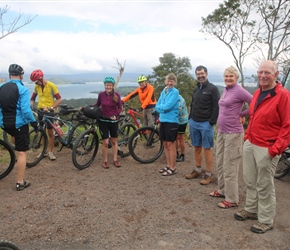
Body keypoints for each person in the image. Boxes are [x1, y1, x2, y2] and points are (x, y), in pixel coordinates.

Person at [234, 60, 290, 233]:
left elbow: (287, 125)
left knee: (264, 183)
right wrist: (248, 137)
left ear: (276, 74)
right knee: (250, 179)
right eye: (261, 72)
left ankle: (266, 219)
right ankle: (251, 210)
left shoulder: (283, 95)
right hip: (252, 142)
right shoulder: (258, 92)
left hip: (268, 147)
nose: (263, 75)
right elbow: (253, 116)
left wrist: (276, 149)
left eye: (267, 72)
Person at [210, 66, 252, 209]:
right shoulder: (226, 90)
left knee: (230, 167)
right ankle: (222, 190)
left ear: (236, 78)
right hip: (221, 132)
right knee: (221, 163)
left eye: (231, 76)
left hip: (233, 134)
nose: (228, 78)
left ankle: (232, 199)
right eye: (226, 76)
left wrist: (242, 114)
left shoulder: (239, 90)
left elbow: (255, 104)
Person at [0, 64, 37, 191]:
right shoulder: (22, 89)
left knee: (13, 135)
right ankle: (20, 183)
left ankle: (16, 158)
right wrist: (33, 122)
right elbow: (26, 111)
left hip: (4, 124)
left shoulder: (1, 87)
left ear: (10, 75)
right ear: (21, 75)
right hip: (19, 124)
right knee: (22, 152)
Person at [185, 65, 220, 185]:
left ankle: (209, 174)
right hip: (194, 122)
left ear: (207, 73)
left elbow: (216, 106)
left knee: (207, 149)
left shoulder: (213, 89)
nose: (200, 76)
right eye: (198, 74)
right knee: (196, 147)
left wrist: (211, 122)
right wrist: (190, 119)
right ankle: (198, 170)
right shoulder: (196, 89)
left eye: (202, 73)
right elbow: (193, 104)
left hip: (206, 123)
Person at [30, 69, 62, 160]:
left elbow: (59, 99)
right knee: (41, 131)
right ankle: (43, 151)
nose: (36, 83)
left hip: (49, 111)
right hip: (40, 110)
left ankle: (50, 152)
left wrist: (51, 108)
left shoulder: (52, 86)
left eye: (37, 81)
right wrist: (31, 105)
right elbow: (32, 98)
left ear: (41, 78)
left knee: (50, 132)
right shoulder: (36, 87)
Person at [95, 76, 122, 168]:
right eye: (107, 85)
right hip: (103, 120)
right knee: (105, 142)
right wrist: (88, 108)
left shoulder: (117, 95)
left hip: (114, 121)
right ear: (104, 85)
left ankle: (115, 159)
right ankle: (105, 161)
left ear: (113, 86)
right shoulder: (101, 95)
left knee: (114, 141)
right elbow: (97, 104)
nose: (108, 87)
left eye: (110, 85)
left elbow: (120, 108)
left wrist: (116, 115)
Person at [156, 73, 180, 176]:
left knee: (171, 145)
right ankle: (168, 165)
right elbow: (158, 104)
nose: (170, 83)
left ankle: (173, 167)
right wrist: (161, 108)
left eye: (172, 81)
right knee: (165, 144)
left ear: (174, 82)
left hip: (172, 121)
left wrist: (161, 109)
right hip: (163, 120)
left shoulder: (175, 92)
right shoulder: (164, 91)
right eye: (168, 81)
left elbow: (168, 106)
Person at [176, 94, 188, 162]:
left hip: (182, 120)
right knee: (175, 137)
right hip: (175, 120)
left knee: (181, 138)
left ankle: (182, 155)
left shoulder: (180, 99)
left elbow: (179, 110)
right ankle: (176, 152)